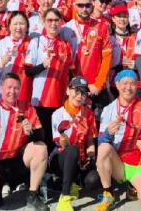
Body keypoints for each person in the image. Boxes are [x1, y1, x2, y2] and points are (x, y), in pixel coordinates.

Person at [0, 73, 50, 211]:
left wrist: (32, 131)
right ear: (1, 89)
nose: (12, 91)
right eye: (9, 87)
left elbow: (41, 137)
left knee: (41, 148)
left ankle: (32, 195)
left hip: (17, 160)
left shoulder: (28, 108)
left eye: (16, 88)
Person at [96, 70, 141, 211]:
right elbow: (100, 141)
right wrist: (108, 133)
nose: (128, 87)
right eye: (125, 83)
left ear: (137, 86)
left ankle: (133, 186)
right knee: (104, 148)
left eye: (132, 83)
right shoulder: (108, 109)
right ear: (117, 84)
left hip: (138, 163)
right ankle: (108, 194)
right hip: (117, 163)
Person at [26, 8, 77, 148]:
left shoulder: (66, 45)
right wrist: (43, 65)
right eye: (50, 20)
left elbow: (70, 72)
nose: (53, 24)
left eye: (56, 20)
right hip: (40, 100)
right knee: (39, 139)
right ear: (43, 22)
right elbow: (28, 71)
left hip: (59, 100)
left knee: (55, 139)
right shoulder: (36, 42)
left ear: (60, 23)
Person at [51, 77, 100, 211]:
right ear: (68, 91)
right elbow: (61, 144)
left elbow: (90, 140)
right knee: (73, 149)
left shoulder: (89, 114)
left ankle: (74, 184)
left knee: (93, 179)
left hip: (81, 160)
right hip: (61, 158)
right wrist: (63, 132)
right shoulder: (57, 114)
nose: (79, 96)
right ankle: (64, 197)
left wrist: (91, 157)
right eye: (76, 91)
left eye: (83, 93)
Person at [65, 0, 113, 101]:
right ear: (74, 6)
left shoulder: (101, 26)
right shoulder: (66, 29)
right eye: (80, 5)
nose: (84, 9)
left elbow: (107, 57)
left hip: (96, 87)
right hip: (75, 87)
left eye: (87, 5)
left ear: (92, 5)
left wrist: (98, 84)